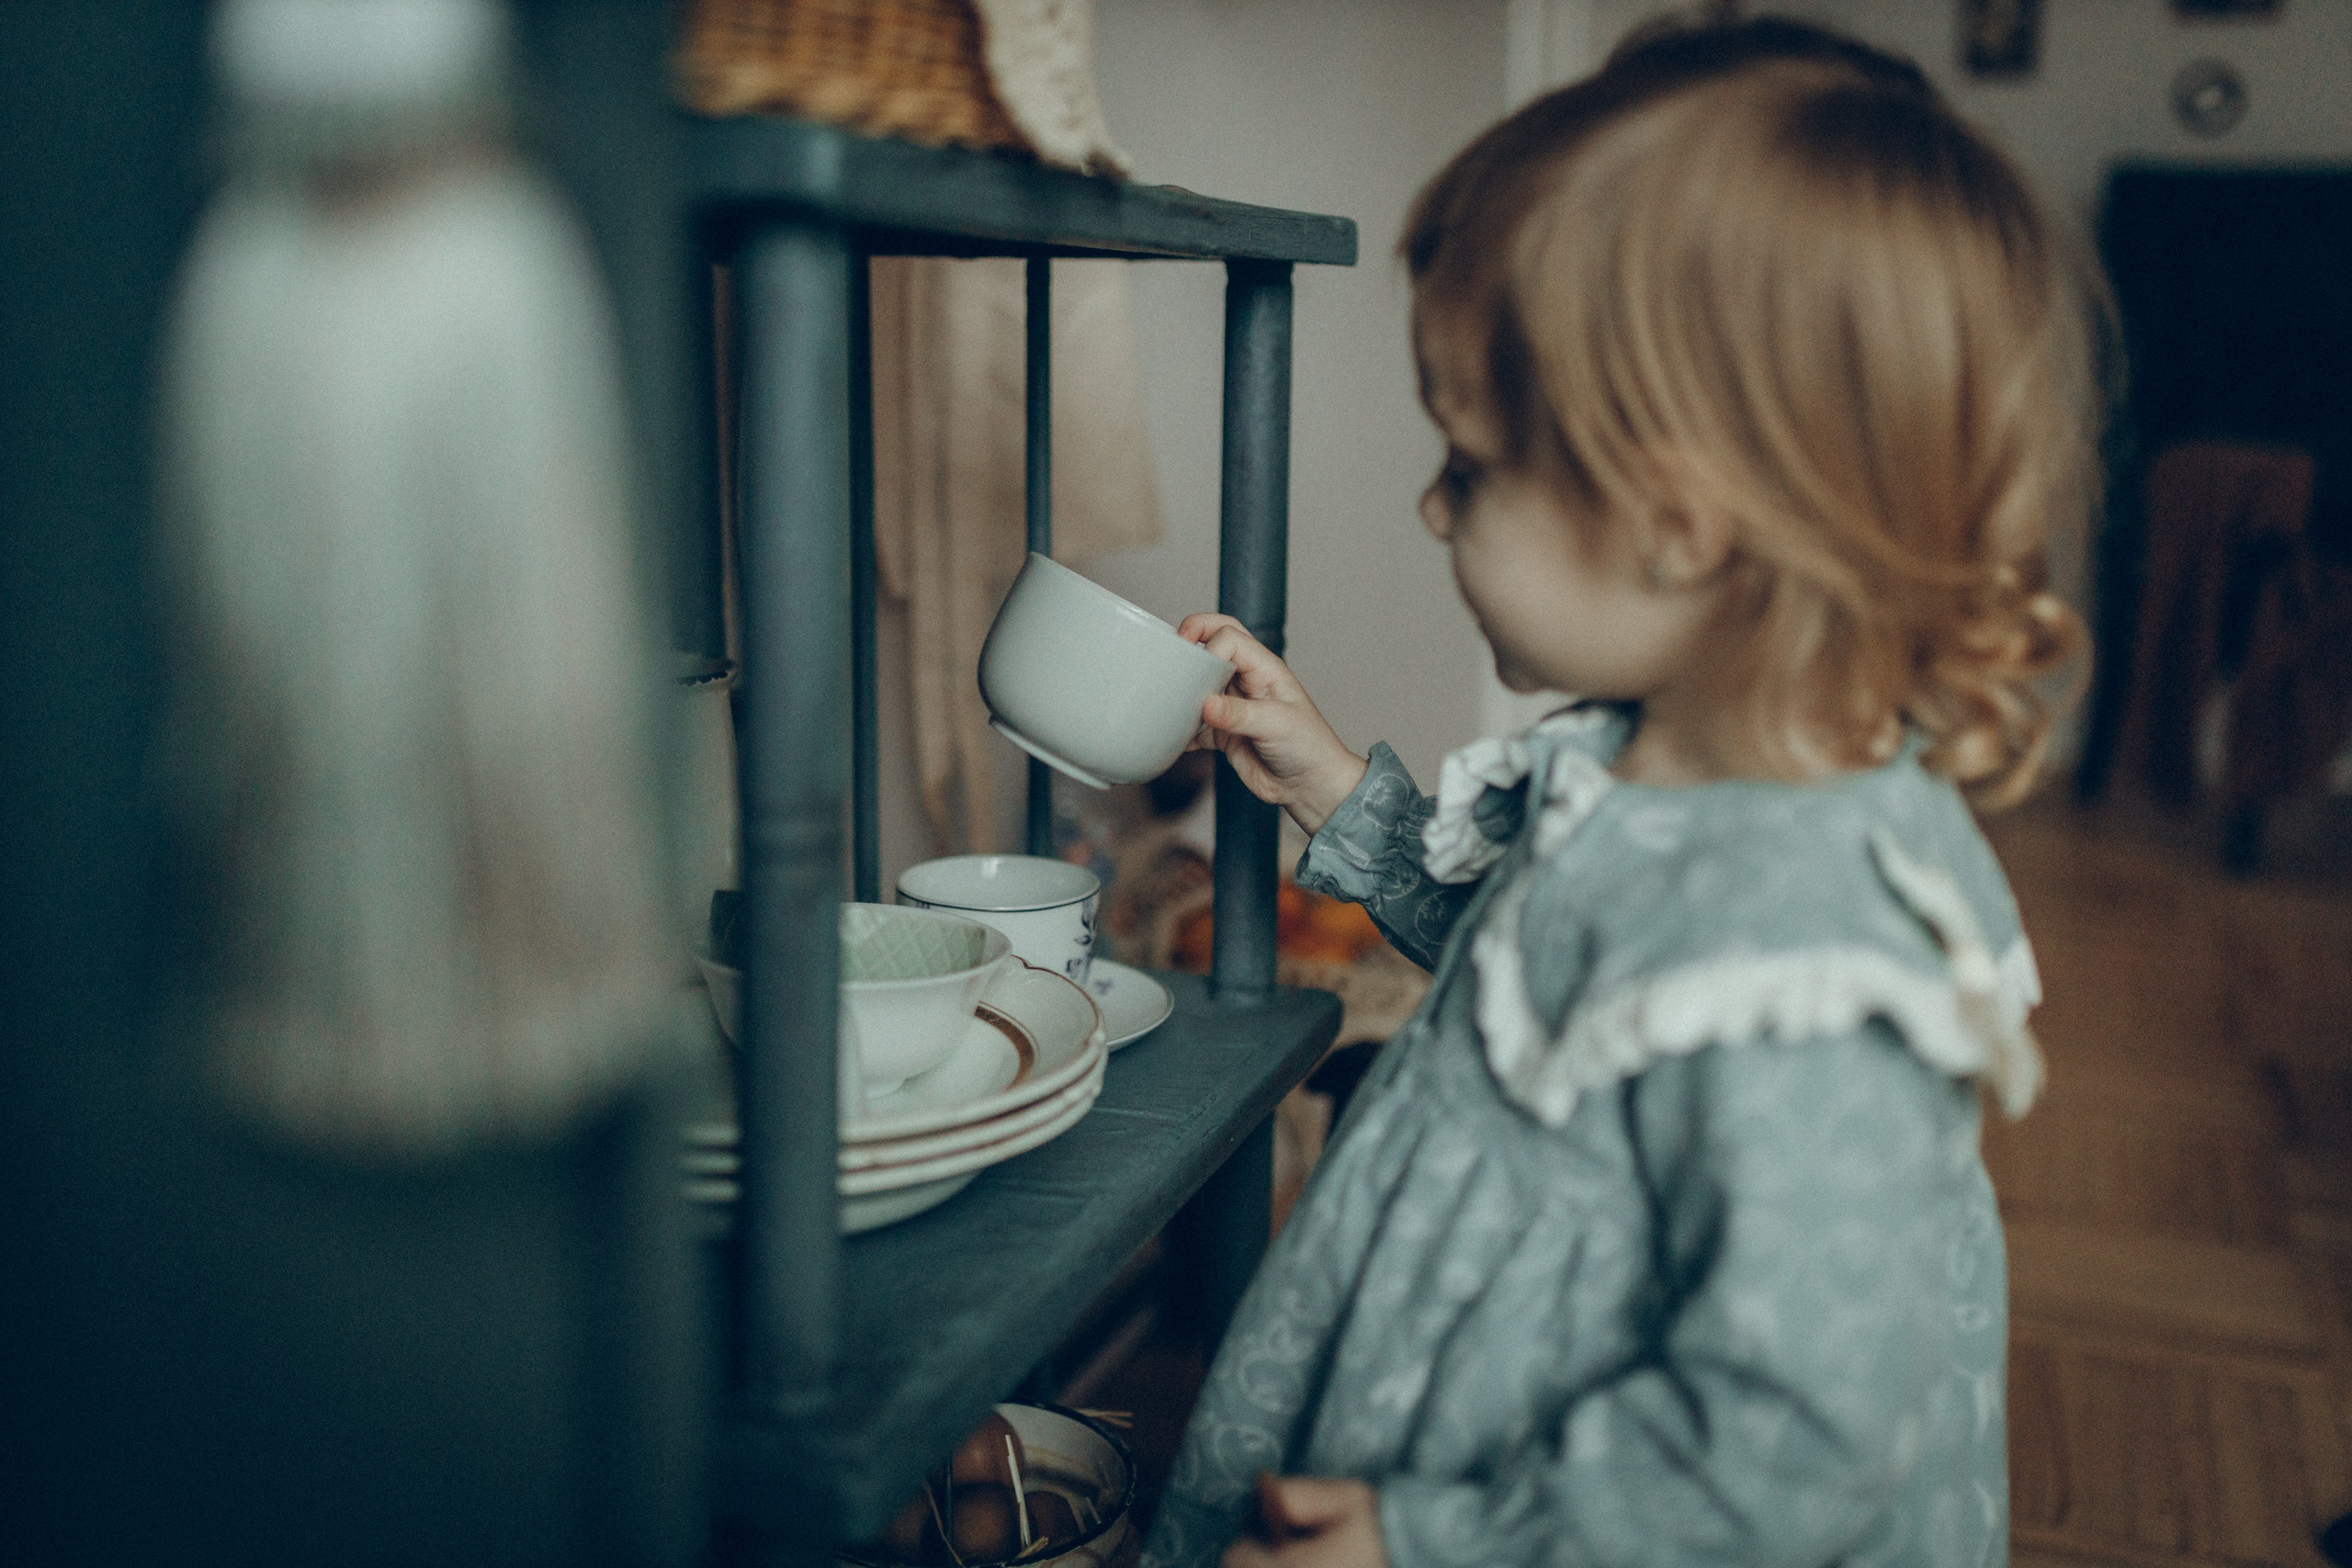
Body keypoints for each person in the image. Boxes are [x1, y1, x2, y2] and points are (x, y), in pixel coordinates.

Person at [1146, 15, 2105, 1568]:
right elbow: (1542, 983)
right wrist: (1335, 789)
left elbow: (1797, 1441)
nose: (1432, 506)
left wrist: (1445, 1543)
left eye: (1469, 467)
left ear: (1679, 522)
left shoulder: (1814, 960)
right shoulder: (1646, 758)